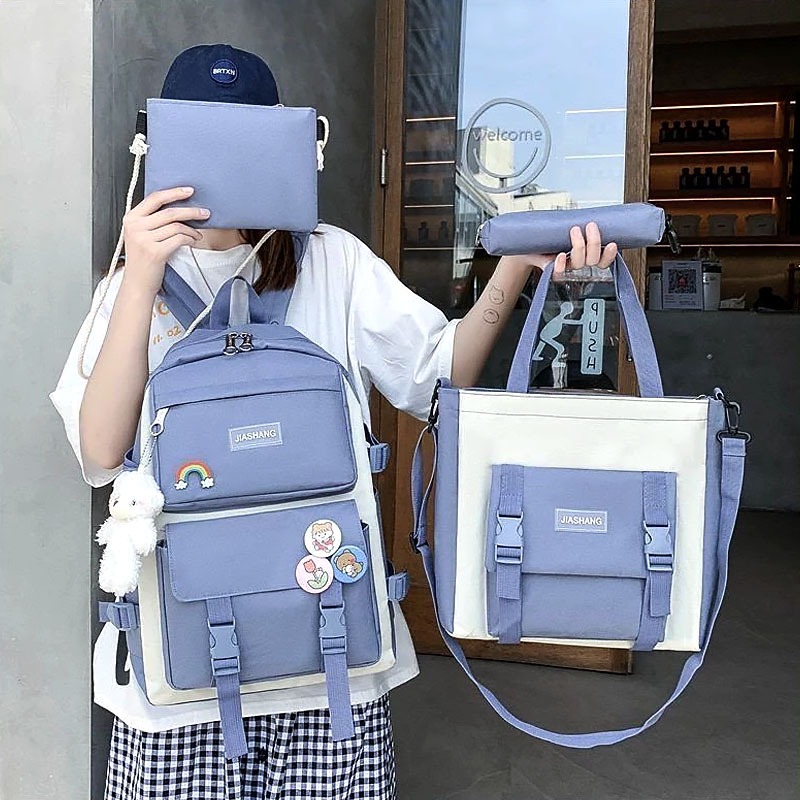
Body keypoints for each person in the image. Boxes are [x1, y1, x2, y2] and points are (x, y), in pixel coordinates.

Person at [50, 44, 617, 800]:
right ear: (157, 148)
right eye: (203, 138)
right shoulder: (134, 282)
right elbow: (99, 452)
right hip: (175, 672)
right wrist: (141, 273)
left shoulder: (332, 261)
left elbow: (439, 376)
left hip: (329, 664)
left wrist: (513, 268)